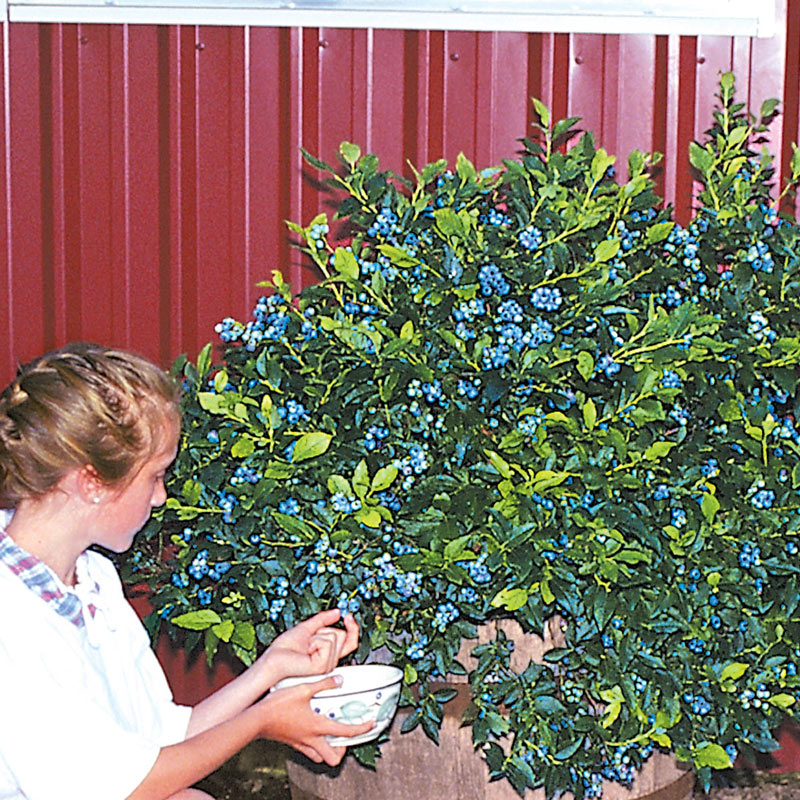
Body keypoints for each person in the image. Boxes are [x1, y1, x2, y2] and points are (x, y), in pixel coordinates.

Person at [0, 342, 371, 800]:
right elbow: (130, 786)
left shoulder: (92, 579)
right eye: (155, 476)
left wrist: (270, 671)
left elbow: (161, 740)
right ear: (90, 482)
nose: (160, 497)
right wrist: (261, 721)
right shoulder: (11, 617)